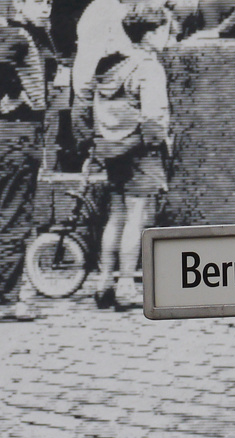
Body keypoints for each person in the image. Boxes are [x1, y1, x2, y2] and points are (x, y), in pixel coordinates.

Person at [81, 0, 171, 309]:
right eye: (164, 31)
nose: (166, 38)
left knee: (115, 215)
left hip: (113, 149)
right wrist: (158, 141)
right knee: (137, 217)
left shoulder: (112, 65)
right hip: (141, 151)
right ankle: (125, 287)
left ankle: (104, 281)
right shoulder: (148, 67)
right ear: (150, 34)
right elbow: (154, 118)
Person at [0, 0, 57, 322]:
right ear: (18, 4)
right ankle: (6, 301)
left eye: (49, 2)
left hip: (3, 135)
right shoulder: (19, 37)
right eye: (37, 1)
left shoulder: (14, 32)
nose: (46, 7)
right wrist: (15, 93)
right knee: (15, 219)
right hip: (19, 135)